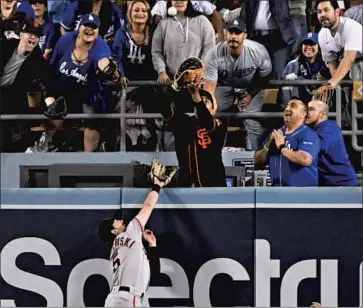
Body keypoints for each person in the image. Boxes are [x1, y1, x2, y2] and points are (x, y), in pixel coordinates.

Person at [98, 159, 176, 307]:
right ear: (114, 231)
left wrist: (152, 245)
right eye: (115, 222)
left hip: (118, 297)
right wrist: (157, 185)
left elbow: (152, 271)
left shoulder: (120, 247)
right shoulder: (129, 233)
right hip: (127, 298)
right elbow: (148, 205)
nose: (119, 220)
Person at [47, 13, 119, 152]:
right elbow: (53, 65)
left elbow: (104, 62)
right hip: (63, 88)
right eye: (86, 25)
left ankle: (89, 158)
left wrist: (109, 69)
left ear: (98, 31)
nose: (89, 29)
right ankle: (49, 147)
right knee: (54, 109)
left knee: (93, 119)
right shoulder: (66, 40)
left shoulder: (100, 46)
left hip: (88, 92)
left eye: (94, 27)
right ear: (80, 27)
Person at [203, 17, 272, 151]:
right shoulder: (214, 54)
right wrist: (209, 104)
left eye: (238, 33)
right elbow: (209, 87)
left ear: (245, 35)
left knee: (252, 120)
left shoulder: (257, 51)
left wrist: (251, 93)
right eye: (231, 33)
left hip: (251, 85)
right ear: (226, 34)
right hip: (225, 86)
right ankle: (212, 152)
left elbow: (265, 75)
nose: (233, 36)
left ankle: (255, 157)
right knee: (211, 114)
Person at [0, 19, 64, 152]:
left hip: (12, 102)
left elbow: (48, 86)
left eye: (37, 35)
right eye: (30, 33)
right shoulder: (5, 46)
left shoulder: (38, 61)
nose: (33, 37)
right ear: (21, 34)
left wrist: (52, 104)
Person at [158, 83, 227, 187]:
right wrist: (175, 86)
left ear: (213, 110)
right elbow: (163, 107)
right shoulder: (184, 121)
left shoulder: (219, 124)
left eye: (206, 101)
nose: (201, 102)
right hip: (186, 185)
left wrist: (196, 96)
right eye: (200, 100)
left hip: (214, 186)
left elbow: (206, 120)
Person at [254, 97, 320, 187]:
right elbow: (257, 162)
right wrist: (268, 145)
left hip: (302, 193)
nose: (287, 109)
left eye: (293, 106)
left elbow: (305, 159)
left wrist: (282, 147)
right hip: (277, 192)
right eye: (286, 106)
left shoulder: (308, 134)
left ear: (303, 114)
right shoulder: (277, 133)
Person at [305, 100, 359, 186]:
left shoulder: (329, 127)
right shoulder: (312, 130)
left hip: (343, 185)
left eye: (311, 109)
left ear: (323, 114)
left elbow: (318, 147)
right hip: (327, 185)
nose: (307, 112)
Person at [277, 32, 331, 109]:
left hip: (321, 109)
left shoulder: (328, 65)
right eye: (305, 44)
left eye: (312, 44)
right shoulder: (292, 65)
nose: (308, 47)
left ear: (319, 46)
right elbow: (283, 93)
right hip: (298, 109)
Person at [316, 0, 363, 89]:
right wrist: (336, 84)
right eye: (319, 12)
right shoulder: (322, 34)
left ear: (337, 12)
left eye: (326, 10)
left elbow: (349, 58)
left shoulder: (350, 27)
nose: (322, 14)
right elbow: (331, 61)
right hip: (353, 65)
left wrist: (333, 82)